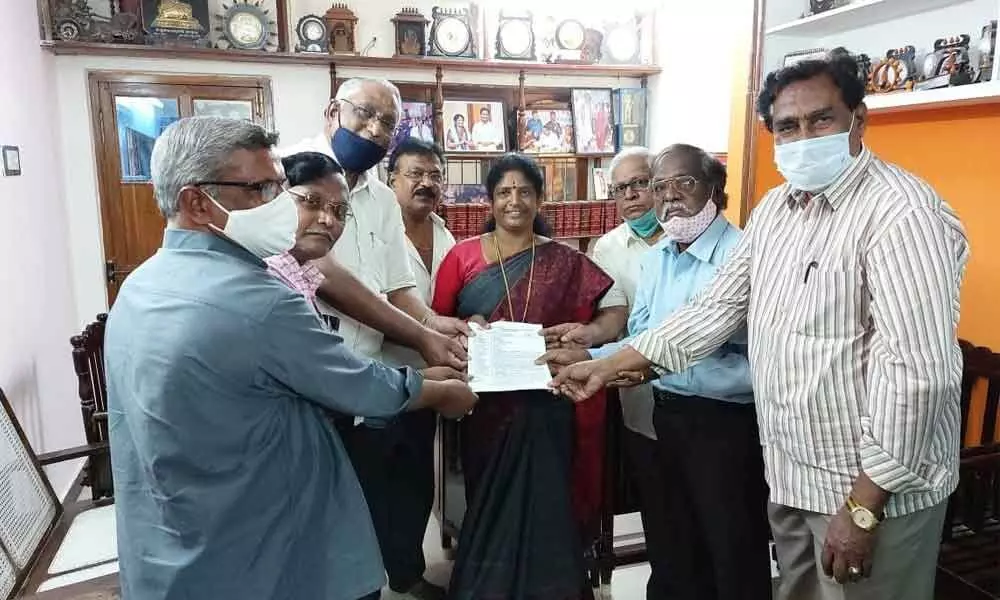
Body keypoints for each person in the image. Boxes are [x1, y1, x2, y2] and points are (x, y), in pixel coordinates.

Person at [553, 52, 969, 600]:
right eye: (787, 126)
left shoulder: (901, 215)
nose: (803, 137)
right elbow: (712, 313)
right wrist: (604, 365)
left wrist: (865, 507)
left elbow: (920, 376)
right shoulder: (776, 211)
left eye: (821, 119)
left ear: (858, 120)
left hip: (869, 494)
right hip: (793, 474)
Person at [105, 116, 479, 600]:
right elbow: (357, 386)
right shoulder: (254, 299)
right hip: (263, 549)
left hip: (172, 541)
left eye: (280, 188)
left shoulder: (139, 286)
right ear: (197, 202)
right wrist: (441, 391)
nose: (280, 206)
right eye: (261, 189)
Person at [543, 144, 771, 600]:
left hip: (724, 425)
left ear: (714, 188)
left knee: (730, 550)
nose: (669, 198)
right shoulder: (657, 259)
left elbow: (765, 360)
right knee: (671, 544)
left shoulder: (745, 256)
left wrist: (624, 367)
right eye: (661, 187)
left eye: (682, 184)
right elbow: (643, 339)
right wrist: (592, 358)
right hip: (663, 417)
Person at [432, 153, 618, 599]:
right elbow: (437, 321)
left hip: (548, 402)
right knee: (489, 500)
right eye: (503, 192)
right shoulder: (462, 256)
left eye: (524, 191)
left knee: (547, 502)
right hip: (486, 407)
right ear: (490, 201)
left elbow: (614, 311)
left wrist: (589, 333)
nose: (513, 200)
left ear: (539, 199)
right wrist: (467, 326)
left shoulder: (564, 259)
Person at [281, 77, 470, 372]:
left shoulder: (383, 198)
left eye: (387, 123)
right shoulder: (287, 170)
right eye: (365, 113)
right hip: (306, 369)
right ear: (333, 112)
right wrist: (422, 337)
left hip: (370, 371)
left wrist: (432, 324)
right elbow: (322, 273)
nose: (375, 129)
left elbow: (398, 286)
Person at [341, 138, 457, 600]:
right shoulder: (371, 232)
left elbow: (446, 302)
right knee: (371, 486)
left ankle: (407, 574)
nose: (426, 183)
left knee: (416, 486)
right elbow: (372, 304)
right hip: (376, 377)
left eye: (434, 175)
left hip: (431, 381)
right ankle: (366, 581)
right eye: (415, 174)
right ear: (391, 181)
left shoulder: (447, 234)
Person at [264, 151, 349, 313]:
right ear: (276, 197)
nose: (329, 220)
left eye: (341, 211)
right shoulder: (271, 276)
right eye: (311, 201)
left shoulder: (303, 274)